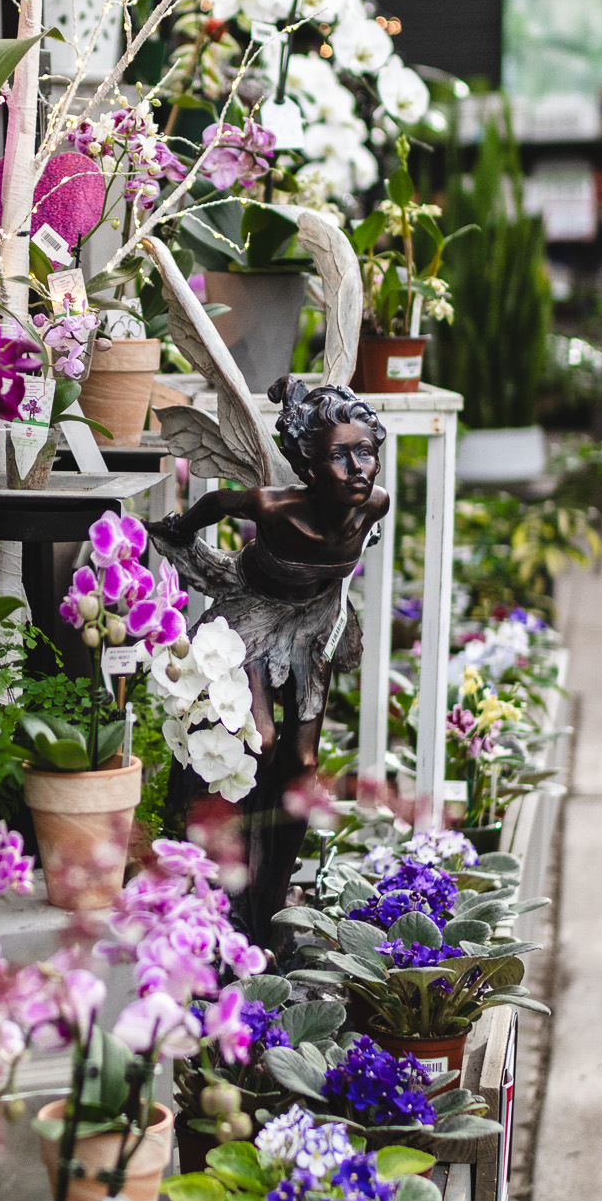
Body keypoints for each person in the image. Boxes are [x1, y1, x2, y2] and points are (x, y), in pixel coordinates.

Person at [151, 375, 388, 936]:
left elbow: (340, 569)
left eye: (366, 452)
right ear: (308, 465)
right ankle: (224, 879)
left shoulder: (373, 505)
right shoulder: (274, 507)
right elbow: (214, 503)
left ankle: (273, 899)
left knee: (302, 765)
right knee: (260, 740)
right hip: (253, 614)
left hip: (312, 624)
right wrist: (179, 530)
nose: (358, 468)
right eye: (340, 456)